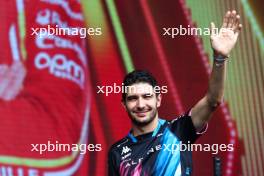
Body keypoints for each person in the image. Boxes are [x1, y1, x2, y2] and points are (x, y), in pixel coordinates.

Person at [108, 10, 242, 176]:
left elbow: (212, 100)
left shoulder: (178, 131)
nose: (141, 104)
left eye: (147, 96)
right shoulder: (117, 152)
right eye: (133, 98)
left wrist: (220, 58)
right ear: (124, 104)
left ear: (158, 99)